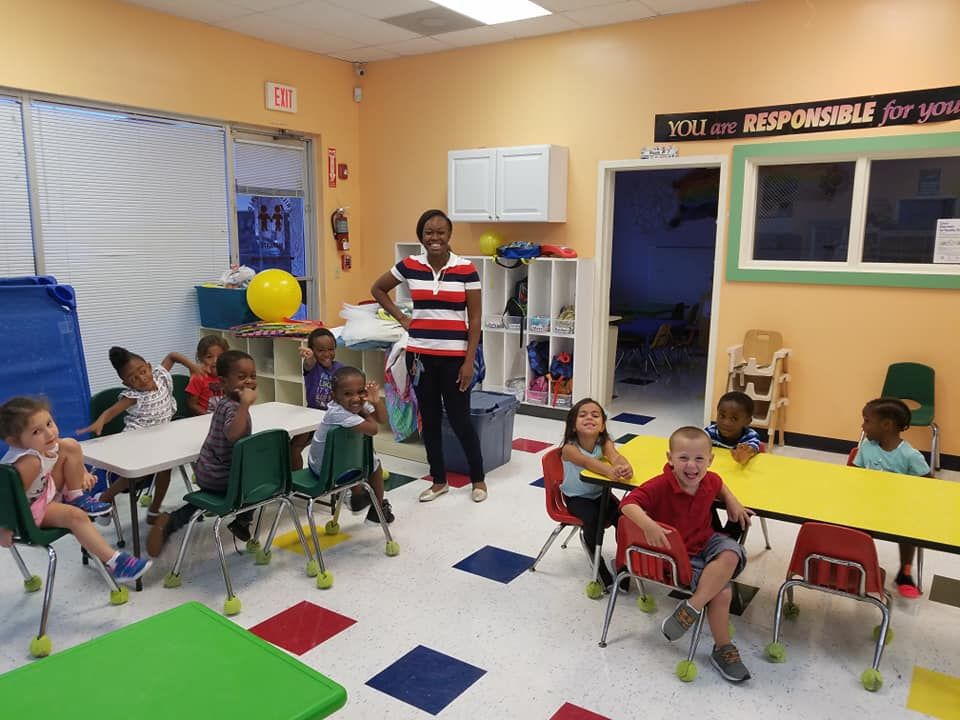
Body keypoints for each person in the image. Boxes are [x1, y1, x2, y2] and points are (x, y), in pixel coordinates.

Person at [619, 426, 753, 683]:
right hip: (677, 556)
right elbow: (628, 504)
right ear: (669, 458)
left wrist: (732, 500)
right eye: (683, 458)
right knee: (722, 591)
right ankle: (723, 649)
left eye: (699, 459)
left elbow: (719, 484)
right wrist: (649, 525)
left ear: (710, 461)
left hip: (706, 542)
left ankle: (692, 606)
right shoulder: (660, 485)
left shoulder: (709, 479)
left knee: (732, 552)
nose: (692, 466)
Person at [371, 209, 487, 503]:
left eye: (440, 232)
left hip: (455, 358)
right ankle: (439, 480)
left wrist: (468, 361)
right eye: (428, 233)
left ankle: (478, 480)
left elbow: (475, 319)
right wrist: (402, 318)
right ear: (421, 236)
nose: (435, 238)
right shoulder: (410, 265)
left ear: (449, 236)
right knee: (430, 419)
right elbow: (378, 289)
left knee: (460, 419)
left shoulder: (466, 268)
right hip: (420, 357)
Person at [0, 396, 151, 583]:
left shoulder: (42, 447)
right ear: (14, 441)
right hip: (25, 511)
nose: (49, 433)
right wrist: (5, 526)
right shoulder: (28, 462)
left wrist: (81, 473)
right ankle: (115, 562)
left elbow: (61, 457)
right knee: (76, 517)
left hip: (42, 494)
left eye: (49, 423)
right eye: (37, 431)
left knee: (69, 445)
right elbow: (4, 496)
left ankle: (76, 496)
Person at [146, 350, 257, 556]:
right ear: (223, 382)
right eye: (241, 377)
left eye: (253, 376)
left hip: (208, 471)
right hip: (222, 476)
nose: (249, 381)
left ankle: (170, 521)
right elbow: (234, 435)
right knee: (259, 480)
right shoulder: (234, 407)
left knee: (210, 499)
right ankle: (242, 522)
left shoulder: (224, 403)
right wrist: (245, 405)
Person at [79, 346, 201, 525]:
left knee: (165, 469)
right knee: (139, 475)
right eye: (133, 378)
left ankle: (153, 511)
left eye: (143, 371)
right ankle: (104, 498)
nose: (142, 379)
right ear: (127, 384)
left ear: (149, 367)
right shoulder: (134, 396)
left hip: (161, 438)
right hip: (137, 440)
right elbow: (112, 411)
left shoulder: (160, 376)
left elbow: (172, 355)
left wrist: (193, 367)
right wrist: (100, 421)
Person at [855, 397, 931, 599]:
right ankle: (856, 564)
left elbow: (929, 486)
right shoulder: (867, 447)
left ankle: (905, 573)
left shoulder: (910, 456)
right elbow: (852, 475)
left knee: (909, 529)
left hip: (898, 511)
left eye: (867, 421)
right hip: (867, 505)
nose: (863, 425)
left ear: (886, 425)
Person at [560, 398, 632, 591]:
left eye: (595, 415)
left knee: (626, 517)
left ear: (602, 425)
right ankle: (595, 555)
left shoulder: (605, 442)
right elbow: (587, 462)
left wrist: (624, 467)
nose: (589, 418)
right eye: (582, 415)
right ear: (573, 425)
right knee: (592, 519)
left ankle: (623, 563)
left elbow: (615, 456)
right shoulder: (569, 448)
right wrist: (609, 472)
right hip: (576, 498)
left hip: (601, 495)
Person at [306, 366, 394, 524]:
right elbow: (373, 429)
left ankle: (360, 497)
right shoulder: (337, 412)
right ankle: (376, 508)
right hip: (326, 470)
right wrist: (365, 411)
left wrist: (376, 401)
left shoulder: (354, 404)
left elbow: (382, 418)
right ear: (334, 396)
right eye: (348, 394)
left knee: (366, 457)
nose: (355, 398)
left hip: (338, 463)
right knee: (374, 464)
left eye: (360, 392)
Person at [289, 328, 342, 472]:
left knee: (331, 451)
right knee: (293, 448)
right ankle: (295, 480)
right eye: (320, 350)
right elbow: (309, 362)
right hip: (311, 417)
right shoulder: (313, 367)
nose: (326, 354)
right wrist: (309, 356)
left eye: (330, 349)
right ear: (312, 350)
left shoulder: (340, 368)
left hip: (332, 418)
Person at [705, 391, 761, 465]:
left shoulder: (750, 436)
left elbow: (751, 449)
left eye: (734, 419)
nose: (726, 423)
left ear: (747, 422)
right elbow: (696, 443)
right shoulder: (710, 431)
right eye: (722, 416)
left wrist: (745, 454)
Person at [185, 335, 229, 415]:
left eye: (220, 356)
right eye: (209, 357)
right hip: (205, 420)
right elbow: (192, 404)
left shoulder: (228, 375)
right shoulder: (198, 378)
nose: (215, 361)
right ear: (201, 358)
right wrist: (208, 417)